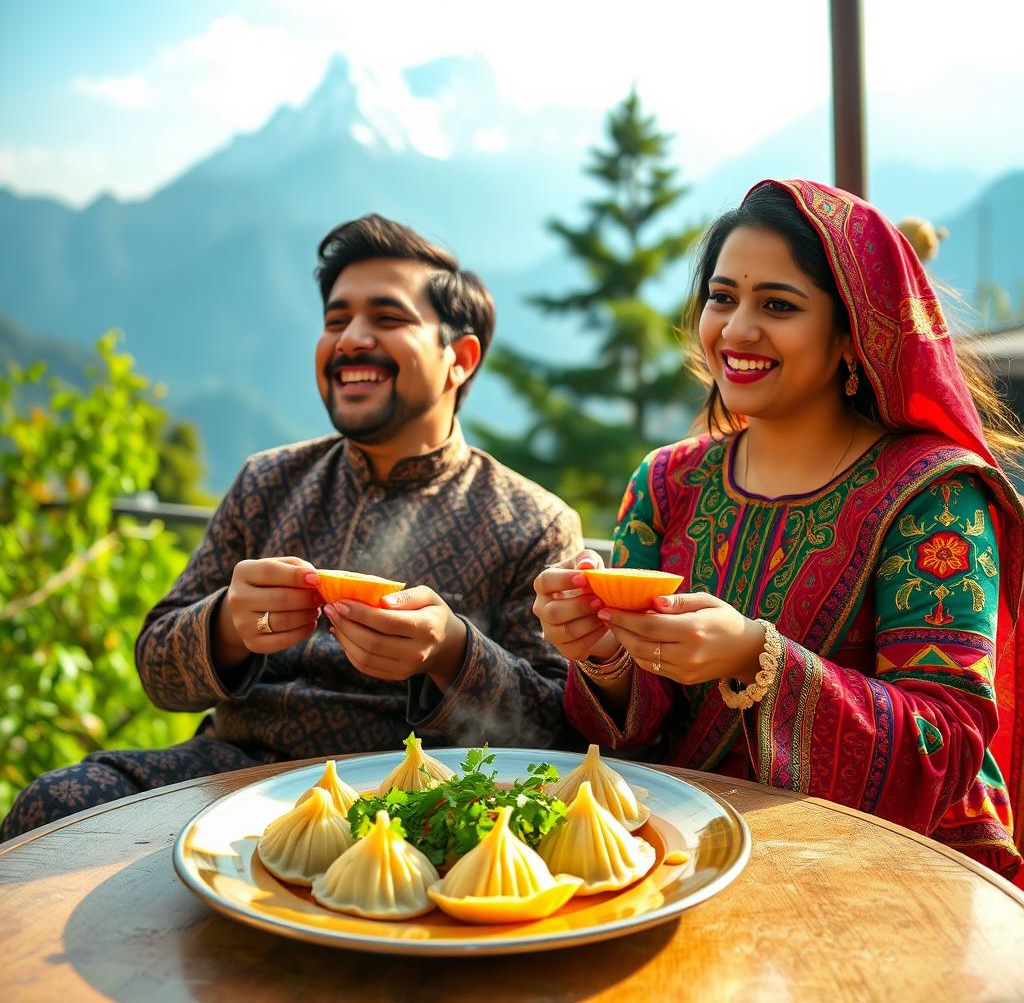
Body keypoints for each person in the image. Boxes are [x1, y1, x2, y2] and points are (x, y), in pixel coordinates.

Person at [2, 215, 583, 840]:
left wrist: (449, 652)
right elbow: (157, 671)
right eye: (336, 320)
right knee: (54, 804)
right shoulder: (267, 481)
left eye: (387, 319)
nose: (351, 339)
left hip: (405, 803)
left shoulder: (532, 522)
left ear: (459, 359)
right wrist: (227, 624)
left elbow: (554, 732)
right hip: (227, 775)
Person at [533, 179, 1024, 880]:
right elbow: (631, 730)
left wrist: (756, 658)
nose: (734, 331)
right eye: (722, 297)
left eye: (778, 306)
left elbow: (943, 747)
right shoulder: (667, 484)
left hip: (882, 870)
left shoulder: (933, 499)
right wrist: (604, 654)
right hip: (679, 854)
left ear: (852, 334)